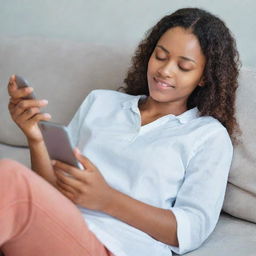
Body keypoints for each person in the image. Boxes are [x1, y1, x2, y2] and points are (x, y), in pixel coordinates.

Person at [1, 7, 240, 256]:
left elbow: (190, 230)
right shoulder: (100, 102)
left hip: (114, 245)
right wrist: (35, 138)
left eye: (183, 66)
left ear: (204, 77)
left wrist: (107, 199)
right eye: (160, 56)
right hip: (58, 224)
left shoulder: (207, 136)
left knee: (10, 176)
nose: (165, 71)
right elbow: (52, 188)